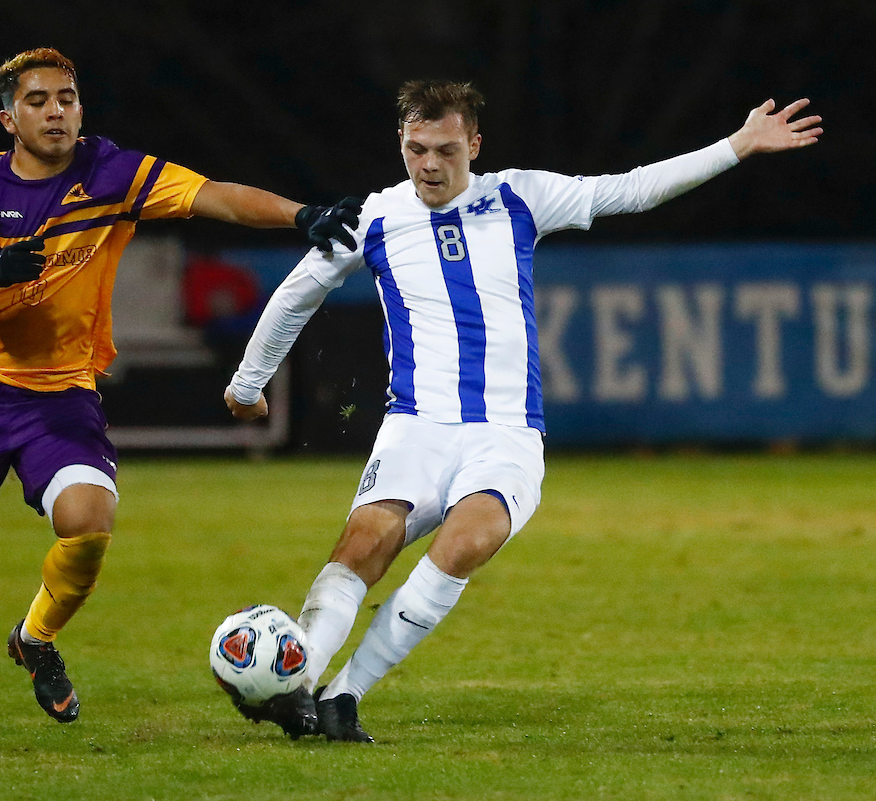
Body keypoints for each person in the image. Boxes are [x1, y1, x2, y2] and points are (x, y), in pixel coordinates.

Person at [225, 80, 822, 742]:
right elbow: (295, 294)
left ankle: (344, 693)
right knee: (361, 547)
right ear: (401, 142)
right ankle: (297, 686)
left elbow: (630, 189)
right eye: (416, 148)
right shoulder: (374, 218)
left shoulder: (518, 196)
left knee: (467, 543)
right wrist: (248, 384)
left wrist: (736, 146)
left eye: (446, 149)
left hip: (505, 433)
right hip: (414, 427)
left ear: (473, 145)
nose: (429, 164)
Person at [0, 47, 360, 732]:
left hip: (60, 396)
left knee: (89, 522)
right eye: (38, 100)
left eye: (67, 97)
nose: (56, 111)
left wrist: (301, 216)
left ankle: (35, 638)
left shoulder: (110, 171)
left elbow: (212, 195)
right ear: (8, 118)